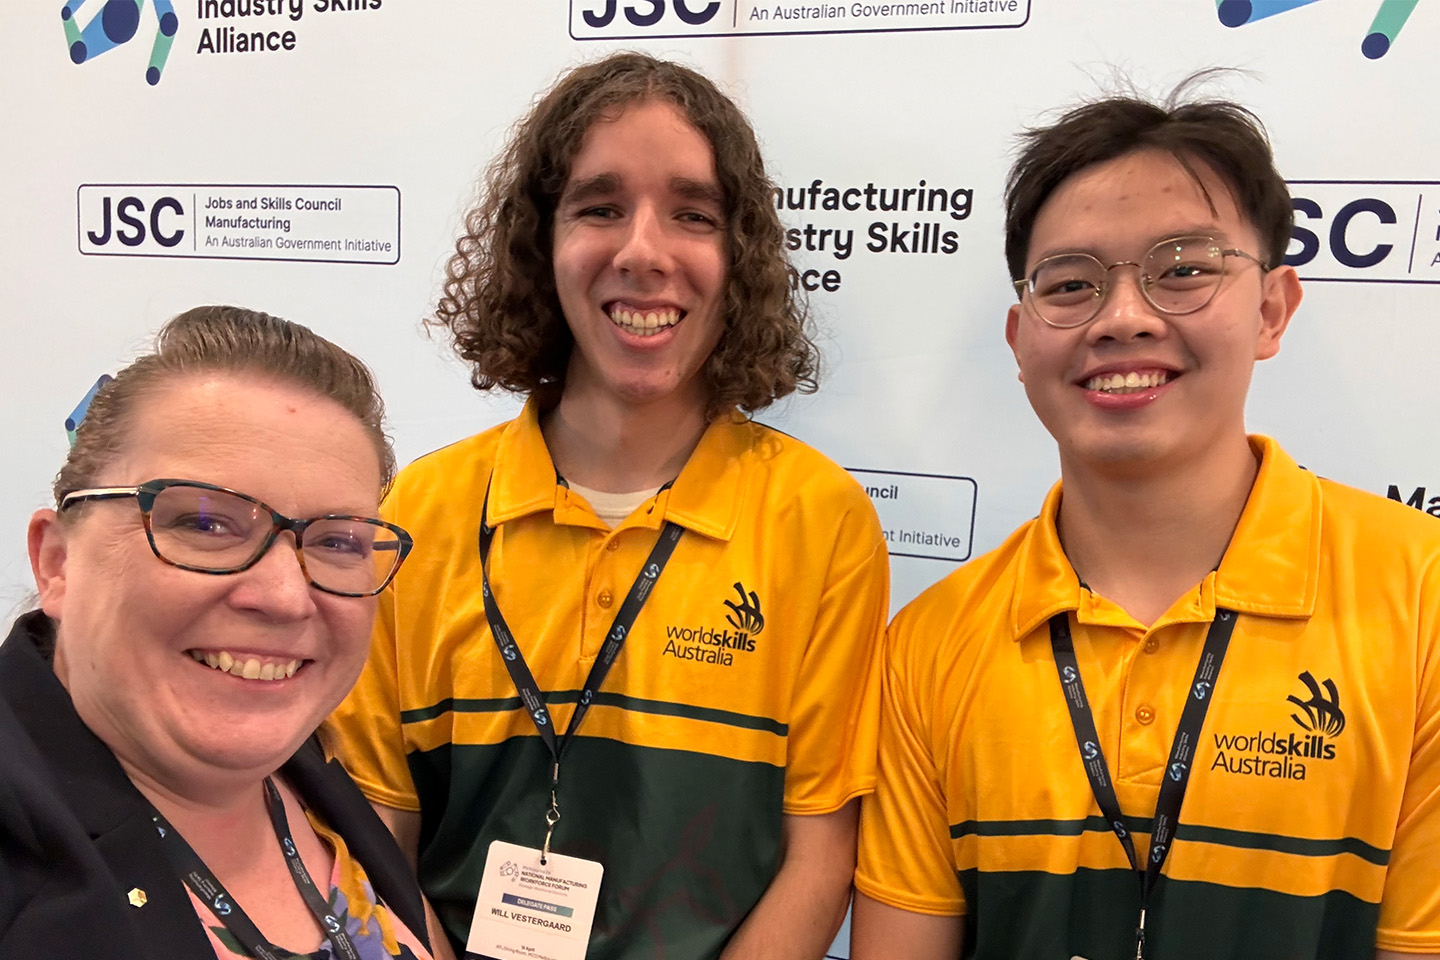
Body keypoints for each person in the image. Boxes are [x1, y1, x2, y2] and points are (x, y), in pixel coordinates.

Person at [851, 85, 1440, 959]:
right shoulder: (930, 645)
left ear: (1273, 308)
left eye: (1183, 269)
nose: (1123, 318)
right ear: (1020, 340)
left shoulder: (1421, 597)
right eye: (1073, 284)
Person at [329, 52, 889, 960]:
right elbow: (373, 841)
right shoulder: (422, 511)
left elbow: (820, 855)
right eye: (599, 207)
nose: (643, 251)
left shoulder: (818, 519)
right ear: (540, 245)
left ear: (737, 256)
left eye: (692, 214)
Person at [0, 305, 449, 960]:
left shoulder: (310, 776)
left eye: (336, 541)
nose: (286, 597)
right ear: (58, 561)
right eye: (205, 524)